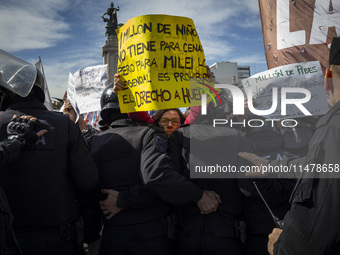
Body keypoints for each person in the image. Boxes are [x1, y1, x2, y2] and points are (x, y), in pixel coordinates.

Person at [86, 83, 221, 255]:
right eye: (164, 121)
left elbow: (85, 185)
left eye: (175, 122)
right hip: (151, 237)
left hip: (112, 236)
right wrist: (199, 195)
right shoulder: (149, 134)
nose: (170, 125)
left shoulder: (92, 142)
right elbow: (158, 178)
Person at [239, 36, 340, 255]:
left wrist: (284, 246)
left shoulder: (325, 128)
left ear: (327, 80)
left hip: (296, 225)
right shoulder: (253, 130)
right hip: (265, 220)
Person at [0, 49, 101, 255]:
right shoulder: (64, 125)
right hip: (57, 238)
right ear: (39, 89)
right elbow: (87, 180)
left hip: (6, 236)